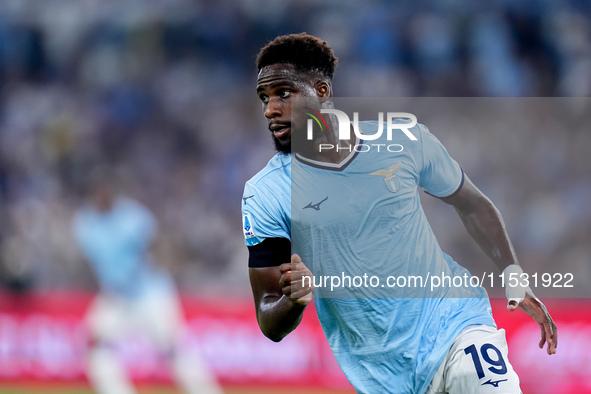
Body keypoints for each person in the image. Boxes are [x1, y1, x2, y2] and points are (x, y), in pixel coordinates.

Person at [241, 33, 557, 394]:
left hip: (455, 326)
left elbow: (472, 203)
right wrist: (292, 301)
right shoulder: (265, 192)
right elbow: (269, 318)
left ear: (322, 92)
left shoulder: (406, 141)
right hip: (381, 377)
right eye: (264, 98)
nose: (270, 109)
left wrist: (514, 277)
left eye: (284, 93)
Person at [72, 169, 222, 394]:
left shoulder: (132, 216)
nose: (101, 195)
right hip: (116, 296)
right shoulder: (85, 223)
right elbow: (91, 261)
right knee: (94, 347)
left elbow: (161, 247)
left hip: (150, 293)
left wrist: (152, 267)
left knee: (174, 350)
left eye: (104, 189)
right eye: (95, 191)